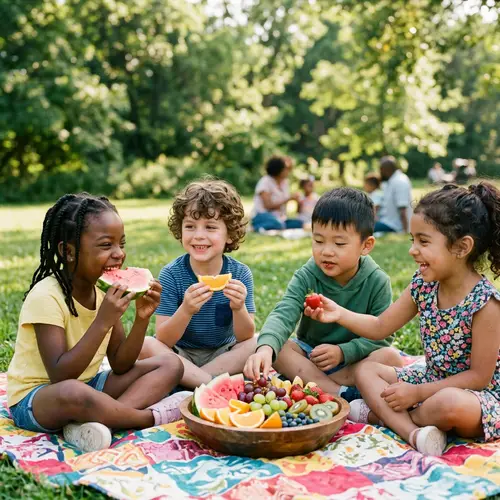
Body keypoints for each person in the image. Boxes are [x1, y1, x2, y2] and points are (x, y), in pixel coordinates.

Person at [305, 183, 500, 456]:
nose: (412, 250)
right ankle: (414, 433)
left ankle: (377, 415)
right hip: (431, 378)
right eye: (413, 240)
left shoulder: (486, 303)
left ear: (461, 247)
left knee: (448, 404)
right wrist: (339, 313)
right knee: (366, 371)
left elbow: (479, 378)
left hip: (473, 396)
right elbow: (380, 326)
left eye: (423, 241)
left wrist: (418, 394)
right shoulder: (424, 284)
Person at [7, 193, 188, 453]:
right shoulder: (46, 296)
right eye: (106, 246)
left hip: (88, 384)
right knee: (73, 392)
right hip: (37, 398)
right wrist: (103, 321)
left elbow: (121, 363)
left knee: (170, 363)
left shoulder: (102, 290)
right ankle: (148, 418)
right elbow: (61, 375)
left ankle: (99, 422)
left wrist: (141, 319)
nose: (119, 254)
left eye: (121, 244)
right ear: (67, 251)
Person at [244, 187, 402, 399]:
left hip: (355, 359)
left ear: (366, 245)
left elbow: (382, 335)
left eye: (339, 243)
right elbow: (284, 312)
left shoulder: (377, 281)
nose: (326, 251)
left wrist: (344, 352)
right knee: (275, 346)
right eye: (318, 241)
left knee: (391, 357)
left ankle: (320, 384)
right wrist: (265, 349)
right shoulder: (308, 274)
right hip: (311, 355)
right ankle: (342, 393)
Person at [140, 179, 257, 389]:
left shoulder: (240, 273)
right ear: (180, 230)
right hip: (181, 354)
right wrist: (186, 309)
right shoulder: (171, 274)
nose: (199, 235)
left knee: (258, 342)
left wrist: (239, 308)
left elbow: (245, 336)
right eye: (190, 227)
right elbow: (164, 339)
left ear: (230, 234)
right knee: (148, 345)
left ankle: (195, 381)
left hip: (223, 354)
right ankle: (211, 385)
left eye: (210, 227)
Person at [251, 155, 303, 232]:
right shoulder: (265, 181)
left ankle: (279, 225)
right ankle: (255, 227)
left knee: (299, 223)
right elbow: (268, 206)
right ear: (279, 169)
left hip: (279, 218)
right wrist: (288, 199)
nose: (288, 171)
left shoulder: (285, 183)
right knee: (277, 224)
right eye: (285, 168)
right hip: (262, 215)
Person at [374, 156, 413, 234]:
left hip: (394, 226)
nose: (379, 172)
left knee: (362, 228)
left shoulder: (400, 181)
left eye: (380, 169)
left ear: (386, 169)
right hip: (386, 221)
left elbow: (403, 209)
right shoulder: (391, 181)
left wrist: (405, 232)